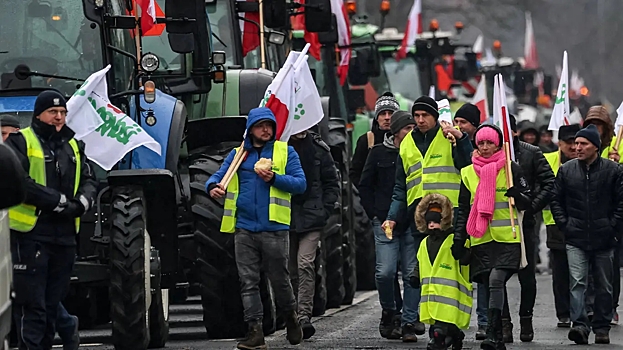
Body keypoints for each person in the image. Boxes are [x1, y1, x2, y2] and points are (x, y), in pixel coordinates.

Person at [205, 107, 306, 349]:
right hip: (244, 229)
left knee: (279, 280)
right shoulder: (238, 155)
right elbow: (217, 177)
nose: (266, 130)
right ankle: (255, 332)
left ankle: (291, 317)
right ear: (250, 130)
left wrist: (274, 179)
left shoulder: (285, 152)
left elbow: (300, 183)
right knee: (248, 282)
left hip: (274, 229)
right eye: (261, 126)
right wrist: (212, 188)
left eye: (269, 126)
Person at [5, 90, 97, 350]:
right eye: (53, 113)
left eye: (63, 113)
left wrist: (82, 203)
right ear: (38, 115)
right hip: (31, 234)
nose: (58, 118)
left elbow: (90, 179)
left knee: (51, 302)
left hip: (65, 235)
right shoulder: (20, 142)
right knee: (32, 305)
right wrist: (57, 202)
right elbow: (20, 182)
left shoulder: (74, 145)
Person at [383, 96, 473, 336]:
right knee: (420, 270)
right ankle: (414, 322)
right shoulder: (405, 145)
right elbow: (401, 187)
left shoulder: (448, 137)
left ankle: (447, 322)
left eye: (425, 116)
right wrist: (392, 216)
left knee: (447, 271)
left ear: (435, 116)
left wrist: (461, 139)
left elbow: (468, 164)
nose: (420, 120)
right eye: (417, 116)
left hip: (449, 216)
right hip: (420, 218)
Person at [453, 124, 532, 350]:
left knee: (496, 280)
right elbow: (463, 209)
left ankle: (491, 333)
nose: (485, 147)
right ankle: (497, 337)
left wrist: (519, 195)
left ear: (498, 144)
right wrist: (459, 239)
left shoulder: (510, 169)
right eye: (481, 143)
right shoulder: (467, 173)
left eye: (489, 143)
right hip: (481, 240)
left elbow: (529, 200)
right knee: (489, 285)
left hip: (508, 239)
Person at [550, 124, 623, 345]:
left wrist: (611, 227)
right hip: (575, 237)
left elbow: (621, 203)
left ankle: (601, 326)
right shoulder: (567, 170)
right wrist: (566, 225)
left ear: (596, 147)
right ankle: (580, 325)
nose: (578, 147)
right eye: (577, 143)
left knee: (604, 284)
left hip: (604, 238)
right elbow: (556, 200)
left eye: (584, 144)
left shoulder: (613, 171)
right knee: (577, 282)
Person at [359, 111, 420, 341]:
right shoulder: (377, 153)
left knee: (412, 274)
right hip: (385, 222)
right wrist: (375, 213)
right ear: (395, 132)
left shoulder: (417, 154)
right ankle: (389, 310)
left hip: (412, 222)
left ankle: (408, 322)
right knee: (385, 272)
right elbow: (364, 185)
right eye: (407, 128)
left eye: (414, 128)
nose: (412, 132)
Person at [496, 114, 554, 343]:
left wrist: (531, 206)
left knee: (526, 277)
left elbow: (549, 182)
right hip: (498, 225)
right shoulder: (490, 153)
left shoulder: (531, 153)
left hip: (525, 225)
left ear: (515, 131)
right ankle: (504, 323)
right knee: (497, 278)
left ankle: (526, 319)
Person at [287, 129, 339, 339]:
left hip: (312, 218)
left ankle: (303, 316)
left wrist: (324, 210)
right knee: (289, 270)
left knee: (305, 264)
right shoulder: (280, 148)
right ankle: (291, 314)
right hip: (285, 217)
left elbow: (331, 183)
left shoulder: (319, 150)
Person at [409, 193, 471, 350]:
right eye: (429, 222)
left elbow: (466, 259)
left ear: (443, 220)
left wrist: (463, 252)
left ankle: (441, 340)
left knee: (440, 329)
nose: (432, 225)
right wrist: (415, 276)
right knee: (438, 326)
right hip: (432, 298)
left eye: (436, 222)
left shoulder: (453, 240)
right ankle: (454, 336)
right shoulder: (424, 243)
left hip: (451, 297)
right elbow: (420, 262)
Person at [584, 105, 622, 324]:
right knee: (587, 268)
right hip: (589, 215)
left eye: (599, 125)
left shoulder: (619, 146)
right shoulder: (585, 146)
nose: (595, 129)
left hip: (612, 217)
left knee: (610, 267)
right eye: (591, 125)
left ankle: (611, 306)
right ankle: (589, 307)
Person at [541, 124, 580, 329]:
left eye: (577, 142)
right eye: (569, 143)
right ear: (560, 144)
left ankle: (581, 311)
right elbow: (542, 189)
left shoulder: (587, 159)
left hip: (582, 223)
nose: (574, 147)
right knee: (561, 271)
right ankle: (564, 313)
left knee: (582, 270)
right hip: (555, 224)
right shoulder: (548, 161)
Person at [350, 92, 400, 187]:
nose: (387, 118)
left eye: (391, 113)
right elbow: (355, 172)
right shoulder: (366, 140)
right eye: (382, 114)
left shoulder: (405, 139)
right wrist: (366, 192)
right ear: (377, 118)